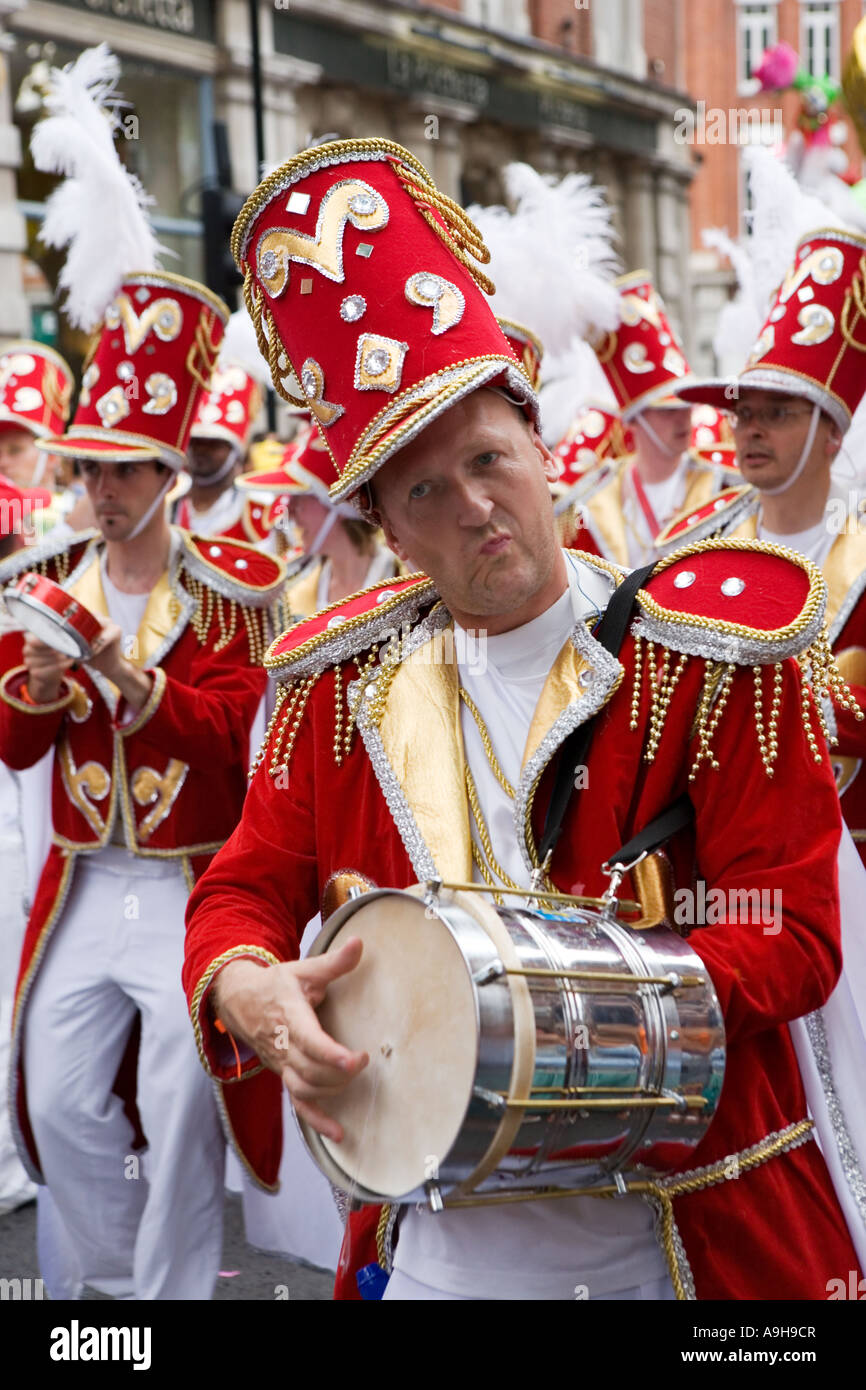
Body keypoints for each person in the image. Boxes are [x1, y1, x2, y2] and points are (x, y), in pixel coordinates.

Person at [183, 137, 864, 1301]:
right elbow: (245, 885)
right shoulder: (336, 691)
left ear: (543, 451)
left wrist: (550, 1025)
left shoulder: (710, 659)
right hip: (433, 1248)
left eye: (489, 458)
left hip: (679, 1234)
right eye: (424, 491)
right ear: (389, 530)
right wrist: (244, 980)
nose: (475, 507)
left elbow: (793, 934)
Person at [0, 268, 288, 1298]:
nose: (102, 490)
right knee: (57, 1087)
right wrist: (36, 690)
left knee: (179, 1096)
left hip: (185, 887)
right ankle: (112, 1285)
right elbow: (16, 748)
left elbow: (224, 736)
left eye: (123, 471)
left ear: (168, 474)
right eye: (88, 469)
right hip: (81, 881)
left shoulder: (231, 596)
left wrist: (130, 678)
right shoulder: (47, 577)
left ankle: (169, 1300)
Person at [659, 227, 866, 867]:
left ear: (832, 432)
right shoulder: (692, 544)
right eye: (742, 413)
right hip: (727, 861)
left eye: (777, 413)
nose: (751, 430)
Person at [567, 273, 739, 566]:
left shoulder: (723, 481)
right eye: (668, 410)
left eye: (687, 407)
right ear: (634, 420)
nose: (685, 418)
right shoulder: (595, 500)